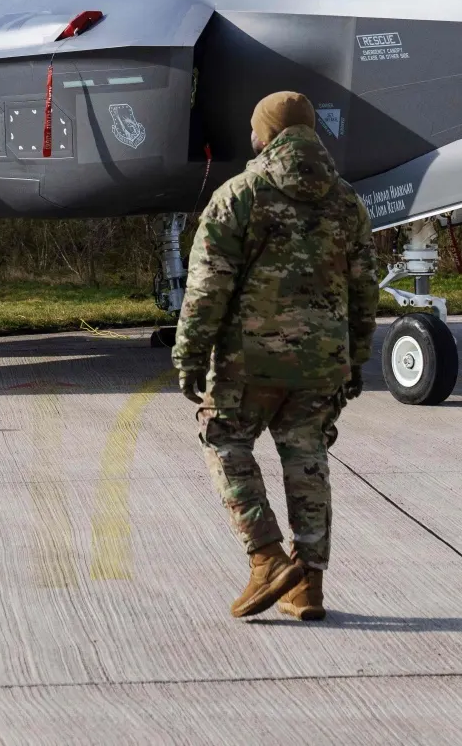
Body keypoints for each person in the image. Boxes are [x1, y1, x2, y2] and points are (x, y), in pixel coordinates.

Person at [172, 91, 377, 620]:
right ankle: (308, 585)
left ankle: (266, 557)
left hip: (250, 359)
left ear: (265, 135)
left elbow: (207, 285)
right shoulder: (347, 202)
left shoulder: (239, 194)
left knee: (224, 439)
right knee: (308, 458)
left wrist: (190, 355)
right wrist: (355, 359)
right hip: (323, 363)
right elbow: (364, 289)